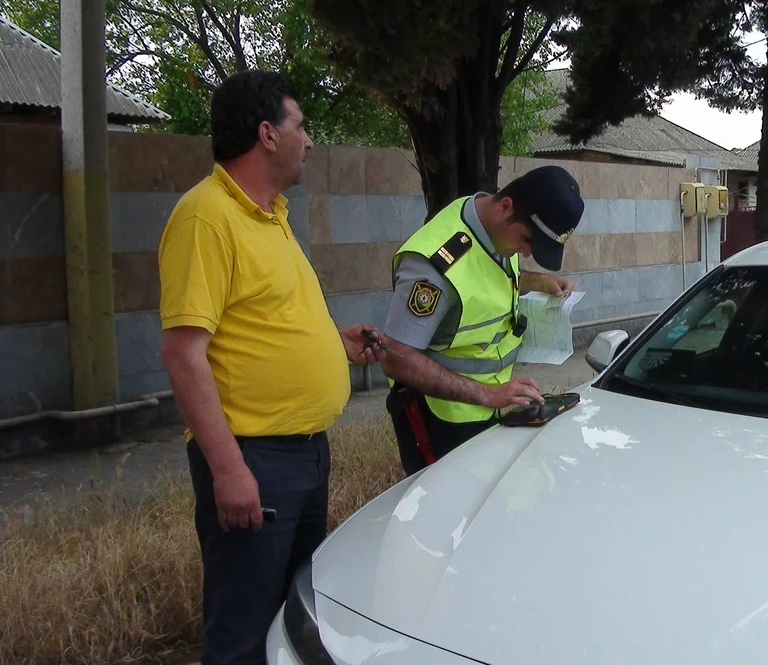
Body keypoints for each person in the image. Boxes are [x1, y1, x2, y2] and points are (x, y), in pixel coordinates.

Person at [157, 70, 386, 665]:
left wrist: (333, 344)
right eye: (300, 126)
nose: (309, 140)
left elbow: (260, 325)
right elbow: (184, 353)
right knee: (242, 633)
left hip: (305, 454)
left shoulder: (271, 214)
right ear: (266, 134)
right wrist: (230, 472)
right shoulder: (205, 217)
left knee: (293, 621)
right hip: (255, 460)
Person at [376, 166, 584, 474]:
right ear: (505, 207)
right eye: (527, 240)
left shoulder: (494, 228)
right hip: (439, 419)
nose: (526, 252)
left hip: (487, 405)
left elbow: (487, 275)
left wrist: (537, 283)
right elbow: (394, 356)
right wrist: (487, 394)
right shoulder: (434, 265)